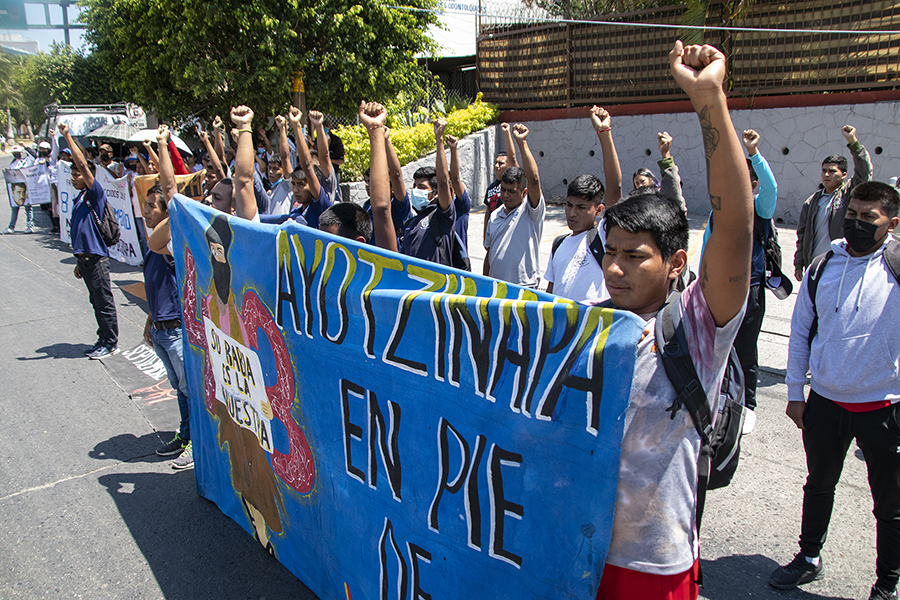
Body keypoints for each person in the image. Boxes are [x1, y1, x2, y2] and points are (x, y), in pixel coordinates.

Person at [594, 41, 753, 600]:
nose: (614, 268)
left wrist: (708, 97)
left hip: (652, 566)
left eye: (634, 255)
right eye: (609, 252)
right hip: (573, 553)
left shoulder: (697, 328)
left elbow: (735, 226)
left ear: (676, 262)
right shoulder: (584, 326)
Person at [770, 181, 900, 600]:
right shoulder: (823, 265)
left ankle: (887, 583)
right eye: (852, 214)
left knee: (890, 505)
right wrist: (795, 391)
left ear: (892, 223)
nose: (856, 224)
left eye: (868, 218)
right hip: (825, 401)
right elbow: (800, 331)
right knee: (818, 486)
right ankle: (809, 558)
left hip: (884, 407)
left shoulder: (897, 266)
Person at [699, 128, 777, 433]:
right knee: (717, 345)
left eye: (742, 178)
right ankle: (718, 395)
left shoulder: (759, 208)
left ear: (752, 184)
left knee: (745, 347)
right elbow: (707, 247)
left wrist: (754, 154)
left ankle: (747, 404)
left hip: (749, 288)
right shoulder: (716, 212)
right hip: (715, 288)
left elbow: (771, 187)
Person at [141, 158, 193, 467]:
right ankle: (185, 434)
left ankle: (196, 442)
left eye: (152, 206)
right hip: (161, 328)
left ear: (167, 214)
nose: (146, 210)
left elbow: (173, 193)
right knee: (179, 389)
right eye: (145, 205)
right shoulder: (151, 247)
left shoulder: (171, 245)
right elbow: (156, 289)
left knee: (190, 389)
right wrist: (151, 320)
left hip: (175, 328)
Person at [544, 106, 622, 301]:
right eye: (569, 205)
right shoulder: (559, 244)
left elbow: (615, 188)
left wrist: (604, 133)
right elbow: (550, 293)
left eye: (581, 207)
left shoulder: (603, 237)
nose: (572, 213)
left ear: (599, 210)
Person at [59, 123, 120, 359]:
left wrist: (67, 136)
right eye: (72, 174)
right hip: (85, 260)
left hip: (97, 260)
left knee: (104, 302)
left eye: (77, 174)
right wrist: (78, 261)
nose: (74, 178)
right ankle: (103, 338)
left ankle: (110, 343)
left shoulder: (95, 194)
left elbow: (83, 164)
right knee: (96, 302)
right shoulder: (79, 199)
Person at [794, 125, 872, 281]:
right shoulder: (812, 202)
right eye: (824, 170)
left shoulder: (850, 193)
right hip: (815, 265)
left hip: (841, 264)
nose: (826, 174)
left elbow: (864, 172)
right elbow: (802, 234)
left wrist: (853, 142)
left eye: (832, 171)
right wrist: (799, 262)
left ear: (843, 175)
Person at [483, 123, 544, 287]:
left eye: (511, 191)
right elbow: (490, 253)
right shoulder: (495, 215)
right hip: (496, 287)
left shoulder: (530, 211)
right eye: (503, 190)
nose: (505, 195)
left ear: (524, 193)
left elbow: (534, 180)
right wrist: (484, 282)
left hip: (524, 286)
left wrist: (522, 143)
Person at [399, 119, 458, 267]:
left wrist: (439, 139)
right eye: (415, 186)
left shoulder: (442, 217)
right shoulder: (410, 224)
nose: (416, 191)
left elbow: (443, 182)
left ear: (435, 193)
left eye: (422, 187)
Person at [482, 123, 518, 244]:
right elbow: (488, 211)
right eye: (496, 163)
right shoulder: (491, 187)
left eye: (501, 163)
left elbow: (513, 160)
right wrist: (485, 236)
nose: (497, 166)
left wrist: (507, 134)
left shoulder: (512, 184)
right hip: (494, 228)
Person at [633, 131, 685, 209]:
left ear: (651, 180)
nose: (640, 185)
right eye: (637, 183)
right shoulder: (633, 203)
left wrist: (666, 154)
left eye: (642, 181)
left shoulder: (660, 199)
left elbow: (673, 196)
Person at [445, 133, 471, 253]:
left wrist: (453, 149)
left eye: (448, 188)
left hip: (458, 260)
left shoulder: (461, 207)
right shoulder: (437, 210)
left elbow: (455, 179)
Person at [4, 144, 36, 234]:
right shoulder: (13, 163)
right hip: (16, 188)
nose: (16, 154)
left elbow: (34, 155)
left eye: (17, 152)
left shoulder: (27, 161)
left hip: (26, 188)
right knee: (15, 207)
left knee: (28, 208)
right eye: (14, 153)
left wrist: (25, 147)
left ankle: (29, 226)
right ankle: (11, 227)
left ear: (21, 153)